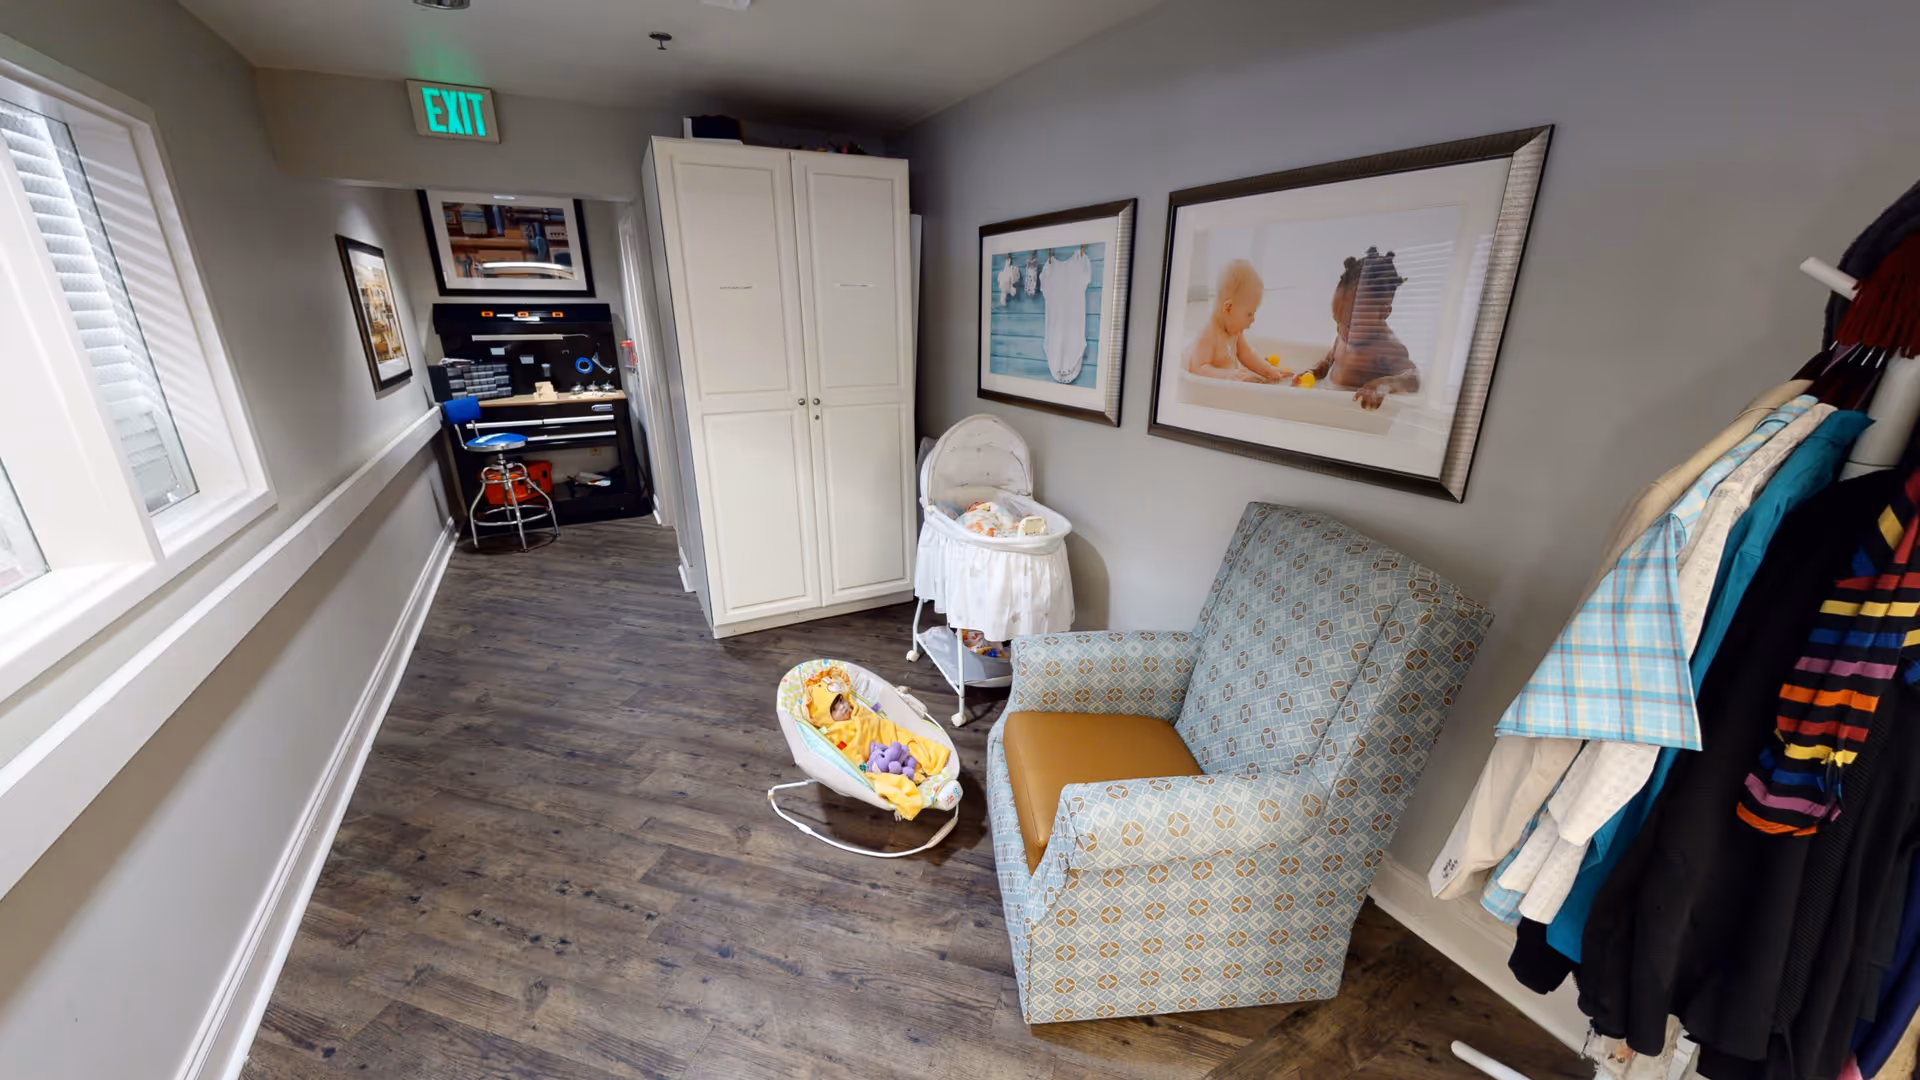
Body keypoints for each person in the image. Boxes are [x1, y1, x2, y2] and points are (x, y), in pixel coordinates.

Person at [1309, 247, 1419, 410]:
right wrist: (1316, 370)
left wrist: (1384, 384)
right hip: (1330, 403)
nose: (1341, 330)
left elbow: (1412, 378)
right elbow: (1329, 360)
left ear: (1384, 312)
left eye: (1352, 324)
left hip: (1359, 413)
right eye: (1337, 320)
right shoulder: (1344, 336)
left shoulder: (1387, 347)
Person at [1183, 259, 1288, 382]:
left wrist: (1268, 370)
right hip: (1204, 389)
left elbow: (1247, 353)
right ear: (1229, 308)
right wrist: (1226, 375)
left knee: (1256, 381)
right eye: (1249, 314)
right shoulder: (1208, 334)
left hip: (1224, 386)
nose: (1253, 319)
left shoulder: (1235, 331)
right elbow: (1198, 368)